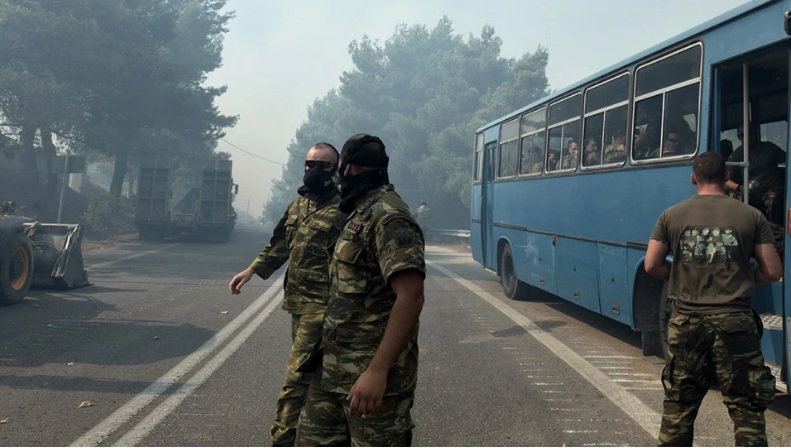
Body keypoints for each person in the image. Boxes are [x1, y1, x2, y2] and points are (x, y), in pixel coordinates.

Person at [296, 133, 426, 446]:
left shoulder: (389, 217)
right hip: (331, 375)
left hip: (371, 383)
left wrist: (377, 372)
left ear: (348, 169)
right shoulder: (358, 211)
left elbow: (410, 297)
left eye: (341, 169)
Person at [644, 152, 781, 447]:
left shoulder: (671, 215)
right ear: (726, 179)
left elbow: (652, 264)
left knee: (679, 406)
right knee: (747, 409)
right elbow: (772, 270)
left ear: (694, 178)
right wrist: (743, 277)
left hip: (686, 322)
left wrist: (683, 276)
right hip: (735, 322)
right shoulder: (752, 216)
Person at [228, 142, 347, 447]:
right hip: (296, 303)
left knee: (295, 380)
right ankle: (328, 435)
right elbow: (280, 243)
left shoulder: (345, 206)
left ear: (336, 170)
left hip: (322, 307)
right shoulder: (299, 204)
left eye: (323, 165)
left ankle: (281, 440)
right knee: (318, 377)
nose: (315, 170)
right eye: (310, 164)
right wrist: (251, 270)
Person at [725, 123, 786, 234]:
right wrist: (739, 187)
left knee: (773, 198)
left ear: (756, 134)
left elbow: (788, 160)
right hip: (752, 193)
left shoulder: (769, 148)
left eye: (751, 133)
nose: (748, 137)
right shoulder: (737, 155)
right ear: (739, 137)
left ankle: (776, 233)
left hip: (773, 190)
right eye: (744, 134)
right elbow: (724, 180)